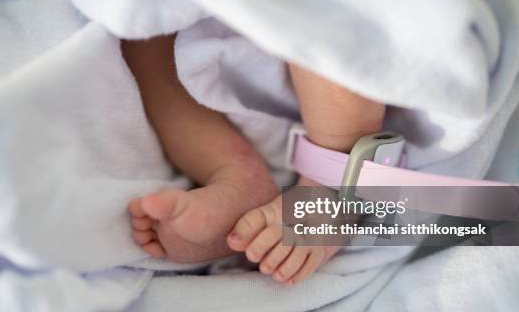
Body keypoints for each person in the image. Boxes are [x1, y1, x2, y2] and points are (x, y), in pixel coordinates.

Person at [122, 33, 385, 285]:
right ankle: (237, 175)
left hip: (319, 91)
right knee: (141, 41)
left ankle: (330, 185)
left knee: (325, 21)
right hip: (196, 27)